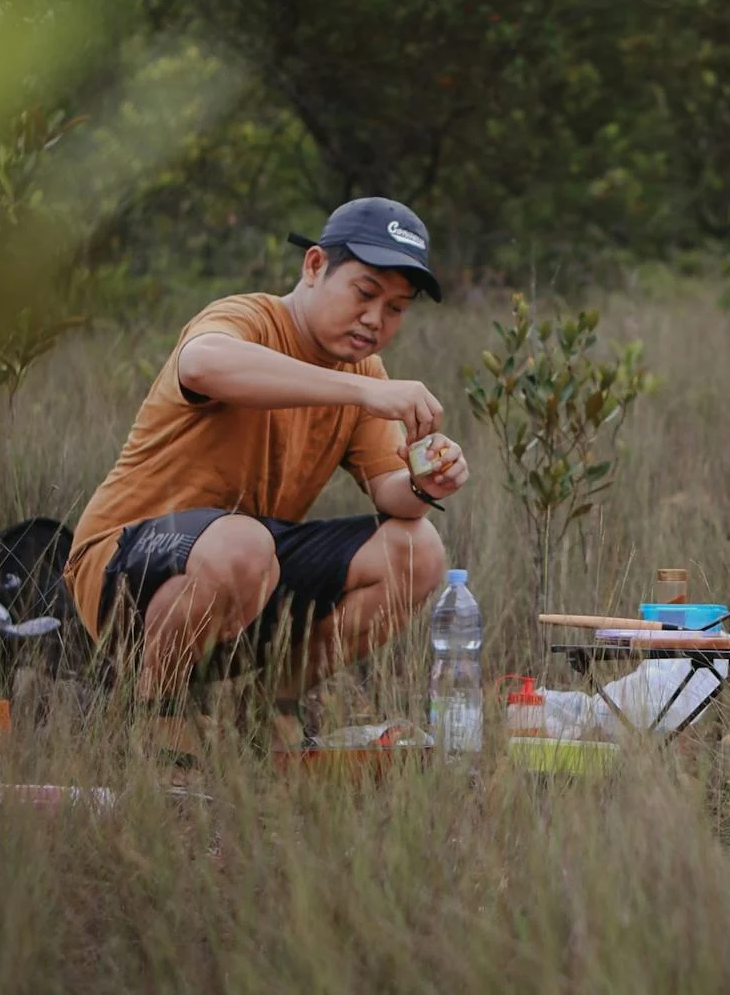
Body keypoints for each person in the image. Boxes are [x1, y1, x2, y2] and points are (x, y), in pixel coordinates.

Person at [63, 196, 468, 752]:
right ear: (315, 266)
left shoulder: (362, 371)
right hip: (125, 564)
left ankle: (268, 706)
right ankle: (152, 709)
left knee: (418, 548)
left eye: (397, 308)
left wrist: (426, 480)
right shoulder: (247, 318)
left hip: (247, 570)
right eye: (365, 293)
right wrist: (365, 390)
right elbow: (202, 363)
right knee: (243, 542)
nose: (375, 319)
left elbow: (391, 494)